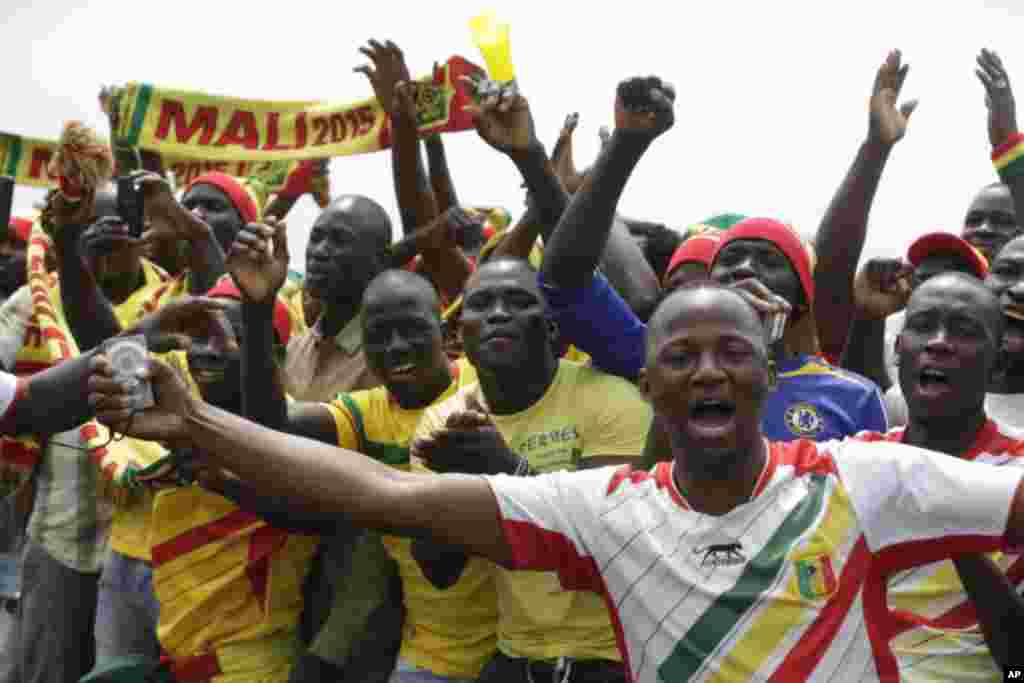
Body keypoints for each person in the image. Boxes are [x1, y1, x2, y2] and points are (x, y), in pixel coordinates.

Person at [89, 278, 1024, 682]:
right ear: (649, 384)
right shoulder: (605, 508)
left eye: (733, 350)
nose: (708, 370)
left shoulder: (870, 481)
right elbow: (384, 495)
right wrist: (202, 422)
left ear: (768, 377)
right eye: (681, 355)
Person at [228, 215, 499, 682]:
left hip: (513, 649)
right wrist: (257, 308)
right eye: (379, 335)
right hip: (432, 652)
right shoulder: (363, 414)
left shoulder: (490, 389)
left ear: (445, 330)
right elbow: (268, 432)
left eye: (411, 329)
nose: (395, 346)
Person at [853, 272, 1024, 679]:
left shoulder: (1018, 478)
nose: (939, 342)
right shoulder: (860, 461)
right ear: (898, 349)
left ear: (998, 359)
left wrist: (945, 505)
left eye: (964, 331)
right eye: (923, 326)